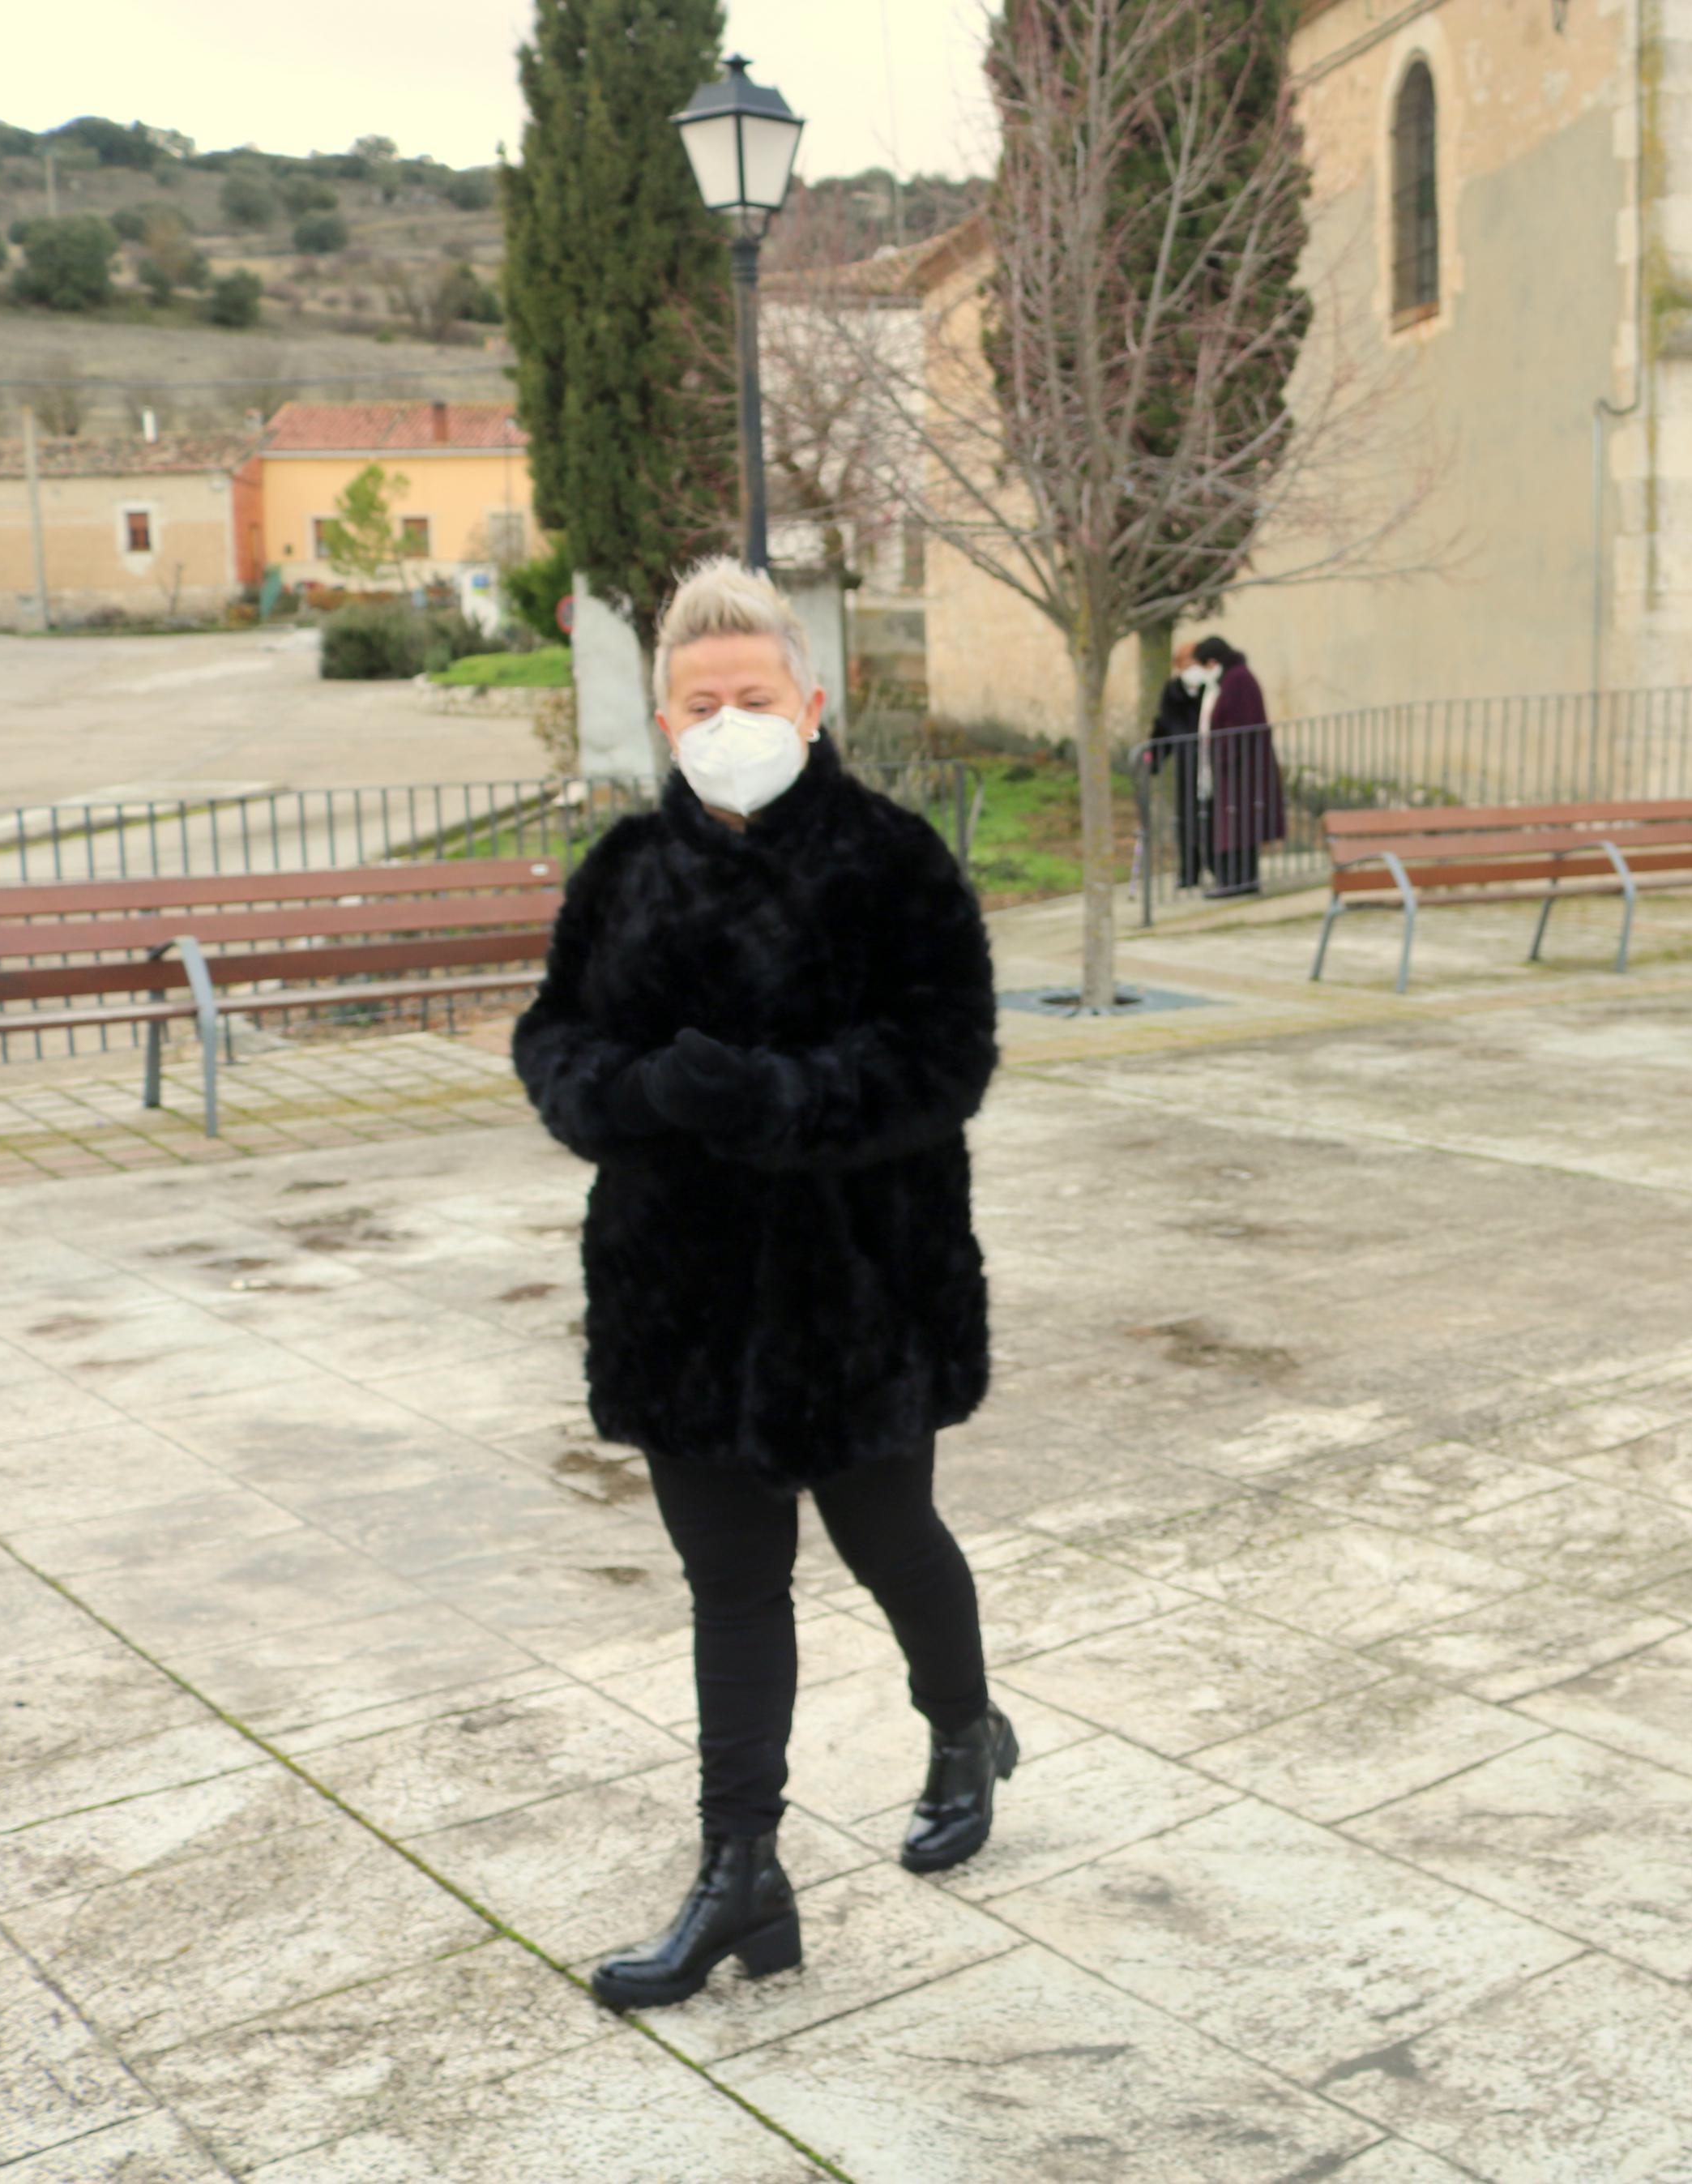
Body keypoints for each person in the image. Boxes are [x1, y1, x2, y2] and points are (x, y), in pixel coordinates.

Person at [513, 557, 1013, 2014]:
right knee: (730, 1587)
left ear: (809, 699)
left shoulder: (893, 860)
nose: (728, 718)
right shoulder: (621, 876)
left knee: (890, 1536)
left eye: (753, 696)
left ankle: (961, 1727)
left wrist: (787, 1096)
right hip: (681, 1300)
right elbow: (556, 1047)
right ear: (664, 718)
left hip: (861, 1292)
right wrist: (645, 1091)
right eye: (699, 700)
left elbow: (946, 1054)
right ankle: (743, 1875)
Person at [1186, 635, 1285, 898]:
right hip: (1236, 766)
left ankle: (1237, 881)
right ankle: (1237, 880)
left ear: (1212, 661)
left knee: (1237, 824)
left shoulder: (1238, 680)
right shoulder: (1233, 678)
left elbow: (1241, 723)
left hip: (1242, 768)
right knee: (1235, 824)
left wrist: (1224, 755)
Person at [1148, 649, 1211, 890]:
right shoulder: (1173, 691)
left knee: (1211, 816)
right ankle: (1189, 871)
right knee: (1187, 817)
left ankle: (1216, 865)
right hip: (1186, 764)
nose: (1192, 666)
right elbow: (1163, 724)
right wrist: (1154, 758)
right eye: (1187, 662)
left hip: (1209, 763)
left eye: (1196, 661)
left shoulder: (1211, 688)